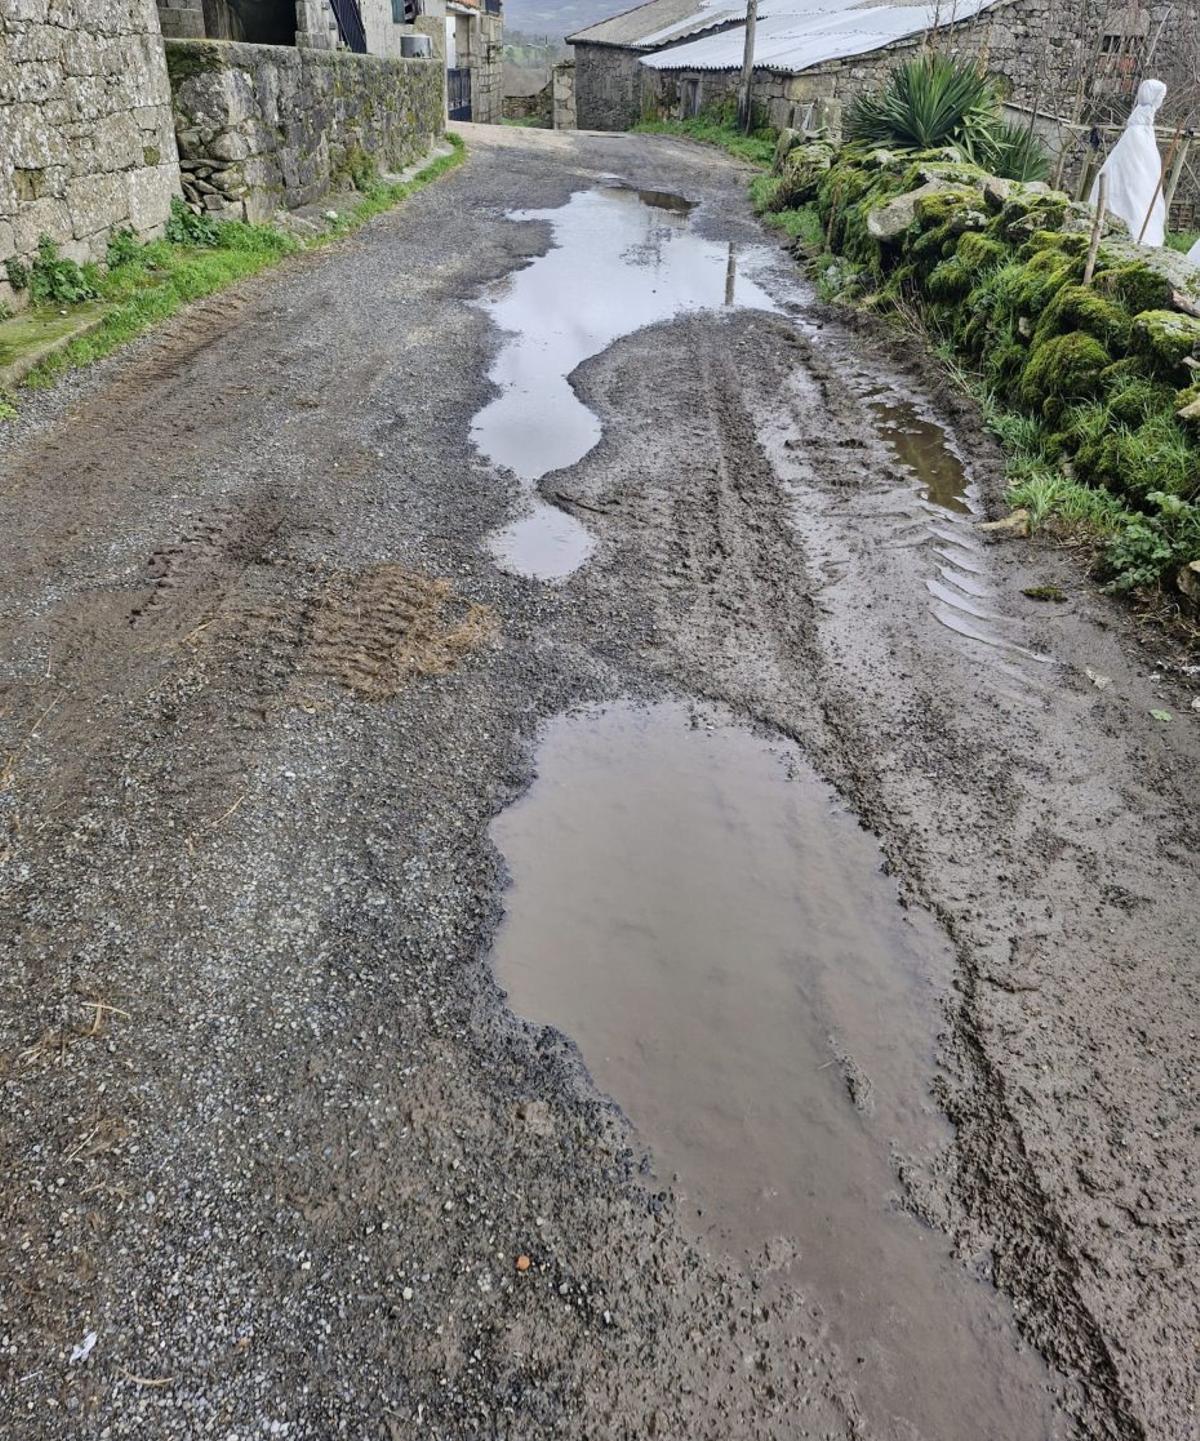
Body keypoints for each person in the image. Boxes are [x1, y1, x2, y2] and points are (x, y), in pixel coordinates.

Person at [1091, 78, 1168, 248]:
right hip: (1136, 168)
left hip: (1141, 168)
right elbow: (1140, 157)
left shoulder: (1142, 121)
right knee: (1132, 195)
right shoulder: (1140, 127)